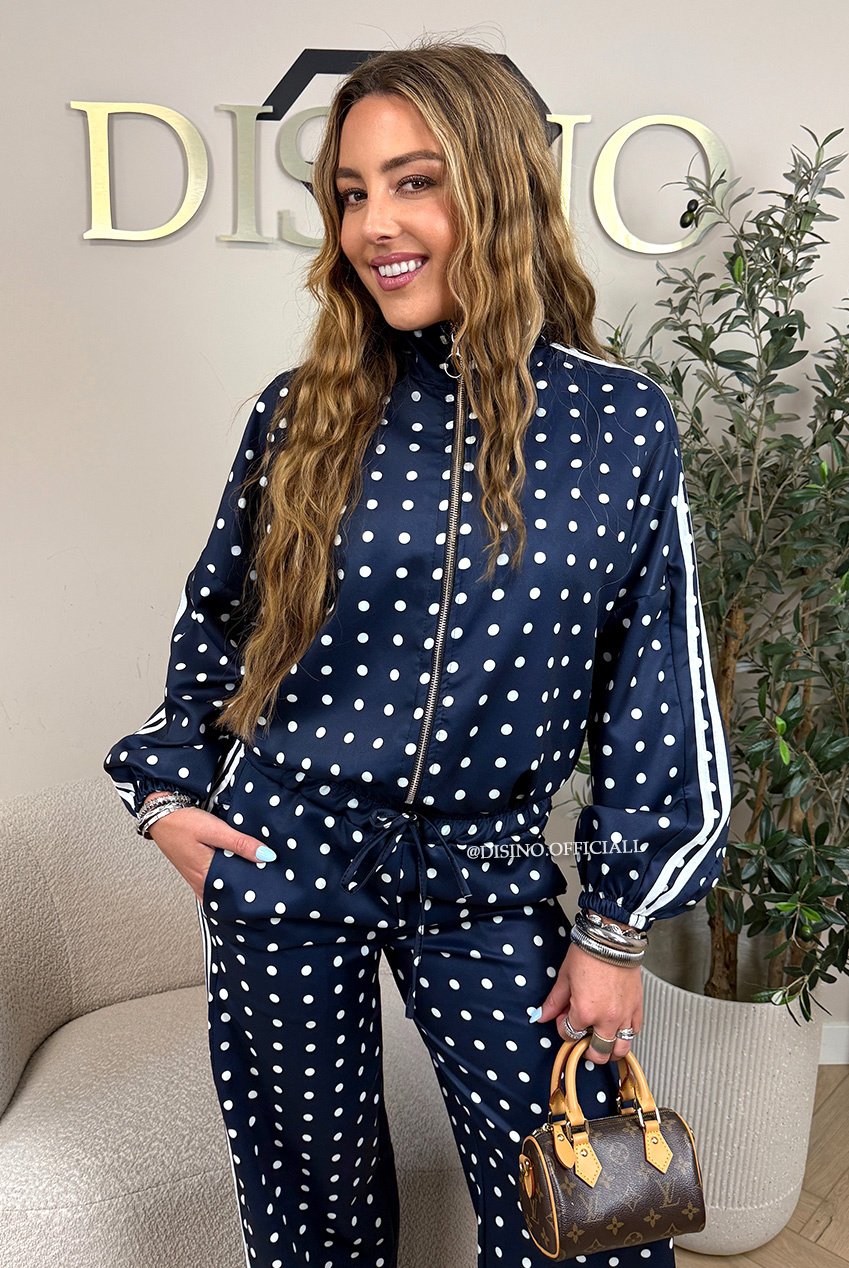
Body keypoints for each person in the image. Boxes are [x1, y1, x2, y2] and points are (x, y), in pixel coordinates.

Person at [103, 36, 732, 1268]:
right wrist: (166, 796)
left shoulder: (618, 423)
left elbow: (656, 689)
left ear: (498, 186)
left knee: (585, 1223)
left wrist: (615, 926)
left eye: (415, 181)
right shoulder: (302, 411)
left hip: (486, 863)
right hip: (286, 852)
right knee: (312, 1214)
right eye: (352, 192)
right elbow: (216, 622)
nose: (374, 225)